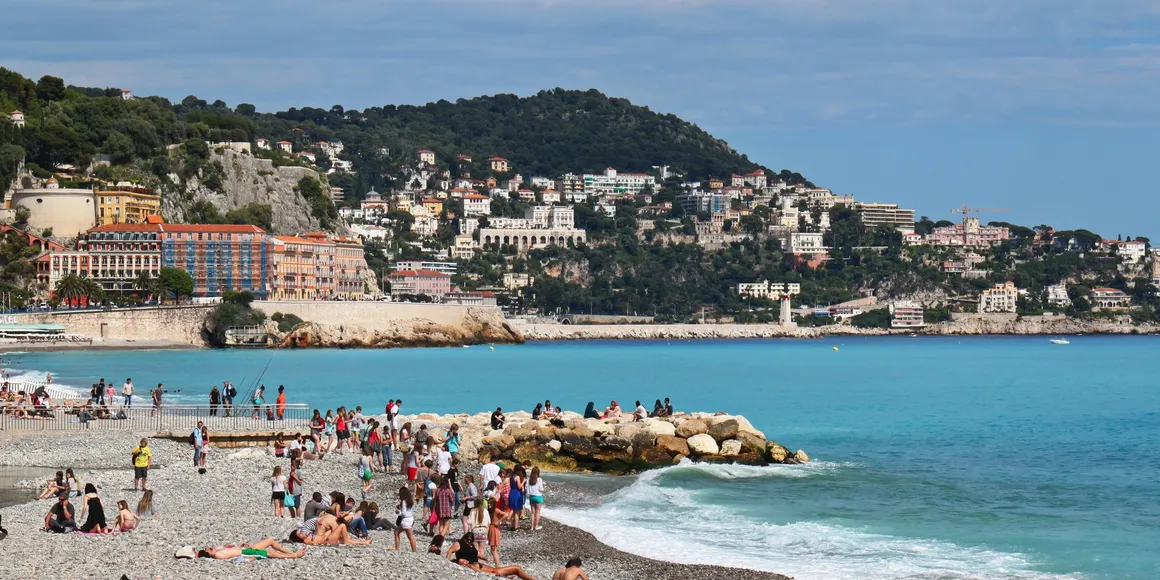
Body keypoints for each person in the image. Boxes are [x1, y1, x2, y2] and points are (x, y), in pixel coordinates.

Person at [449, 530, 538, 579]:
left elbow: (476, 554)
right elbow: (450, 551)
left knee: (516, 569)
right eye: (467, 539)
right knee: (516, 568)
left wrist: (484, 558)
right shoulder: (459, 544)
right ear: (464, 538)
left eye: (470, 540)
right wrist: (447, 561)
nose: (469, 541)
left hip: (486, 567)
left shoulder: (471, 546)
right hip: (485, 569)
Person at [195, 537, 307, 559]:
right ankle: (294, 555)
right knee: (268, 552)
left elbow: (233, 550)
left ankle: (289, 552)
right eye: (209, 549)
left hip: (245, 548)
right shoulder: (218, 555)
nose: (211, 548)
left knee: (270, 540)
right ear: (209, 554)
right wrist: (251, 554)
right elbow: (236, 555)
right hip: (246, 552)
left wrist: (240, 545)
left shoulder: (217, 552)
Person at [392, 485, 417, 552]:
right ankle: (398, 549)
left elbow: (404, 513)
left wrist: (398, 512)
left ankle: (414, 551)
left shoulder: (403, 501)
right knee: (396, 532)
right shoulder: (410, 500)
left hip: (406, 520)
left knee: (410, 537)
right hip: (410, 518)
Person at [527, 467, 546, 531]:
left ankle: (531, 527)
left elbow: (527, 488)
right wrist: (543, 486)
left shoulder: (528, 479)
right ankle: (536, 525)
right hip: (538, 497)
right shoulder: (539, 479)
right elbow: (541, 489)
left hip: (531, 497)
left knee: (532, 512)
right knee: (538, 512)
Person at [509, 467, 526, 531]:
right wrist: (523, 481)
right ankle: (516, 526)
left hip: (512, 492)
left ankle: (512, 525)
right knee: (517, 511)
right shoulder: (517, 477)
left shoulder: (512, 477)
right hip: (517, 494)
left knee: (513, 510)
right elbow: (519, 486)